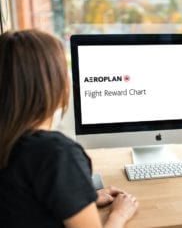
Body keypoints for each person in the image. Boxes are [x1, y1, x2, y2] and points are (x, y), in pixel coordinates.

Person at [0, 29, 139, 228]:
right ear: (53, 85)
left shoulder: (9, 142)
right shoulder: (55, 153)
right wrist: (119, 214)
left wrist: (78, 197)